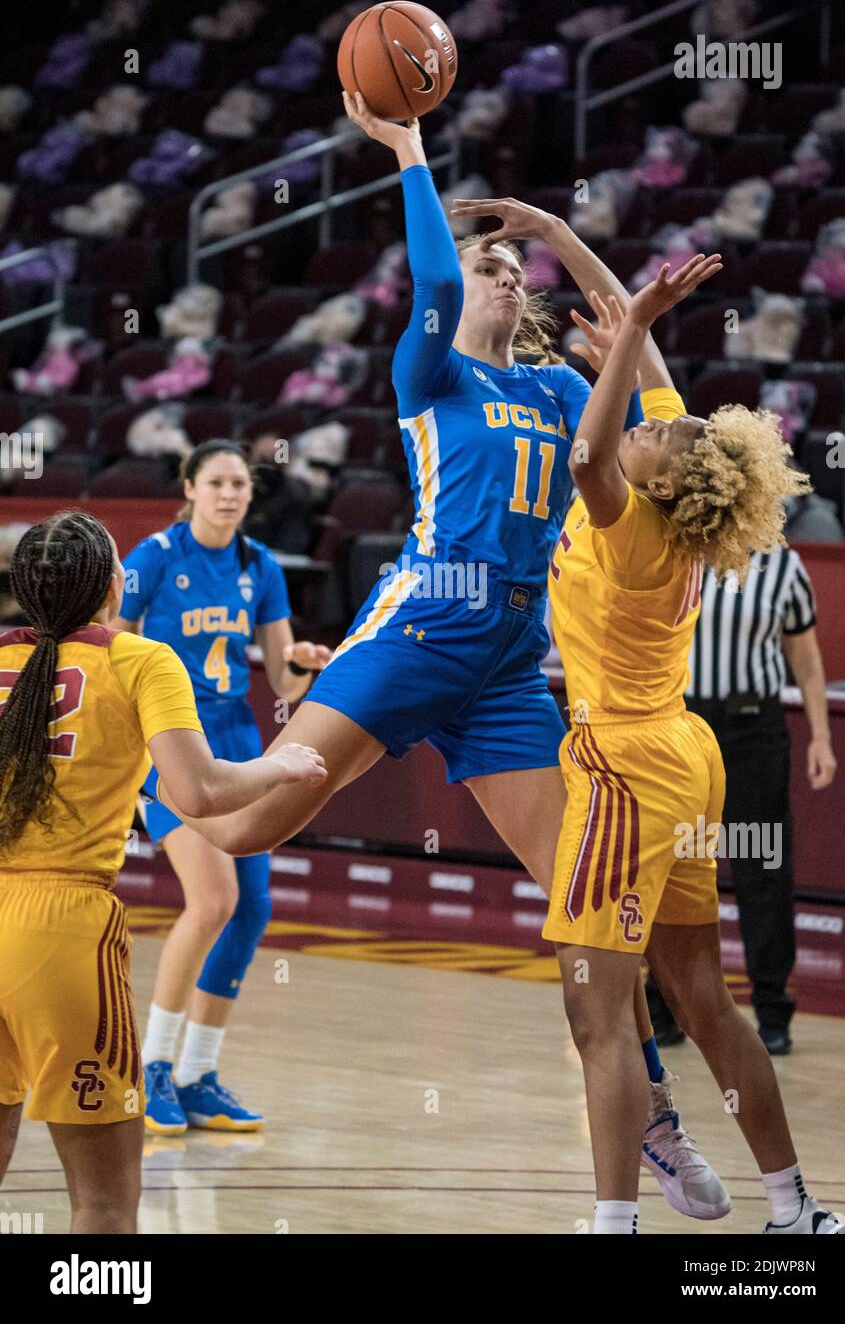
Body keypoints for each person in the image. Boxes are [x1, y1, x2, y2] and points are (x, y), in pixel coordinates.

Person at [141, 92, 729, 1220]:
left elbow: (640, 350)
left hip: (508, 662)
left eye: (513, 269)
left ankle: (650, 1119)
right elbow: (431, 283)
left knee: (591, 901)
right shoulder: (435, 377)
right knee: (246, 823)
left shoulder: (561, 390)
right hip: (417, 628)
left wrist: (556, 235)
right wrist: (410, 149)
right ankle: (144, 774)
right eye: (488, 263)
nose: (503, 275)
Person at [543, 263, 845, 1234]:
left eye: (656, 432)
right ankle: (792, 1207)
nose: (646, 423)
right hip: (683, 753)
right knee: (701, 1001)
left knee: (597, 1016)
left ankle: (612, 1225)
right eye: (652, 421)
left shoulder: (629, 524)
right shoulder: (672, 491)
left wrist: (630, 328)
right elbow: (647, 392)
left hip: (627, 768)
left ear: (666, 477)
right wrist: (569, 248)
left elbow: (591, 447)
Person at [0, 511, 325, 1232]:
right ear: (114, 586)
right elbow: (201, 792)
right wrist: (281, 766)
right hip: (60, 936)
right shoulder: (140, 659)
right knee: (106, 1204)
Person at [114, 441, 332, 1134]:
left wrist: (304, 664)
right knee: (213, 900)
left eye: (240, 484)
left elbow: (284, 679)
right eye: (217, 483)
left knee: (251, 909)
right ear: (190, 488)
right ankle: (151, 1068)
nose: (231, 494)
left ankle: (197, 1073)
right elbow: (111, 644)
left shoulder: (258, 565)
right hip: (173, 745)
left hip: (238, 740)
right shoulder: (154, 557)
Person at [646, 547, 836, 1055]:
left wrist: (821, 736)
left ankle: (772, 1008)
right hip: (680, 725)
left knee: (761, 865)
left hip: (753, 728)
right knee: (669, 864)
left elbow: (807, 659)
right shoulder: (675, 550)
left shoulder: (783, 566)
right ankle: (662, 1003)